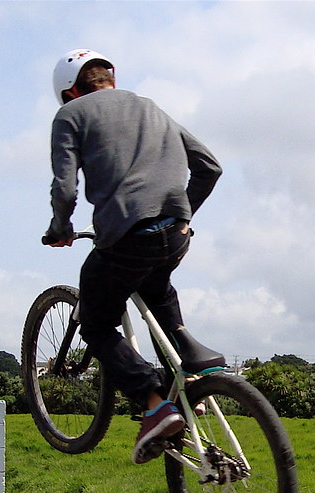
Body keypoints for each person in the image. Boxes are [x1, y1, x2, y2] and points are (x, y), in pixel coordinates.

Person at [43, 49, 223, 464]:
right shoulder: (150, 106)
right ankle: (188, 382)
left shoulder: (70, 116)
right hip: (176, 234)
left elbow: (66, 189)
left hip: (125, 237)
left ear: (69, 92)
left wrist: (60, 228)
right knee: (156, 288)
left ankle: (154, 402)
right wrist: (181, 215)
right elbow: (209, 166)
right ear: (111, 77)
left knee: (97, 321)